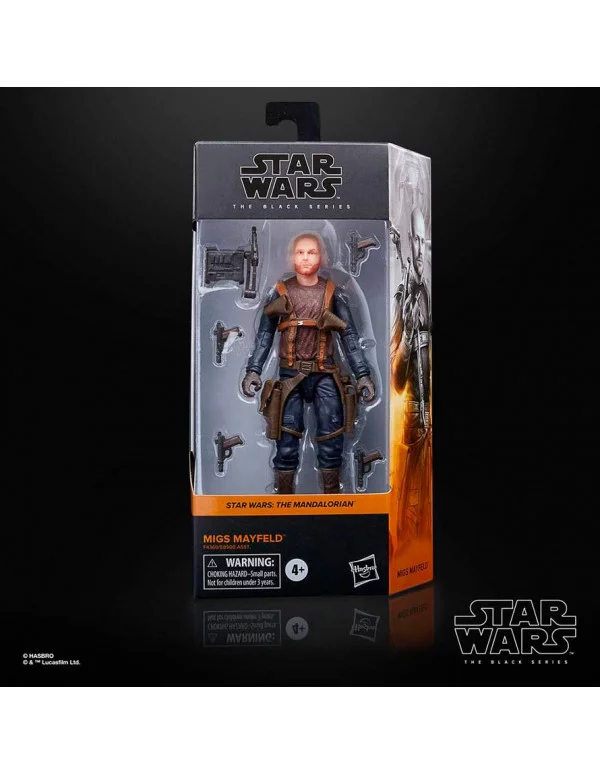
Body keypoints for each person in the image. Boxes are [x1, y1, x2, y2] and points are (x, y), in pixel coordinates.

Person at [242, 233, 375, 494]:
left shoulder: (332, 293)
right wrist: (253, 371)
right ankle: (284, 504)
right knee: (286, 441)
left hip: (326, 375)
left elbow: (349, 337)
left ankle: (332, 502)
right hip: (289, 378)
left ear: (322, 256)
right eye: (300, 252)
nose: (305, 257)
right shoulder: (280, 292)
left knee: (331, 440)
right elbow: (265, 336)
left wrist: (362, 374)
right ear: (291, 257)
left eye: (312, 252)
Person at [391, 207, 432, 543]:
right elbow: (396, 380)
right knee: (410, 510)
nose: (419, 249)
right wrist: (406, 335)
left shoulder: (429, 293)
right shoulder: (403, 297)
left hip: (430, 419)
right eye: (414, 241)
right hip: (414, 419)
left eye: (423, 240)